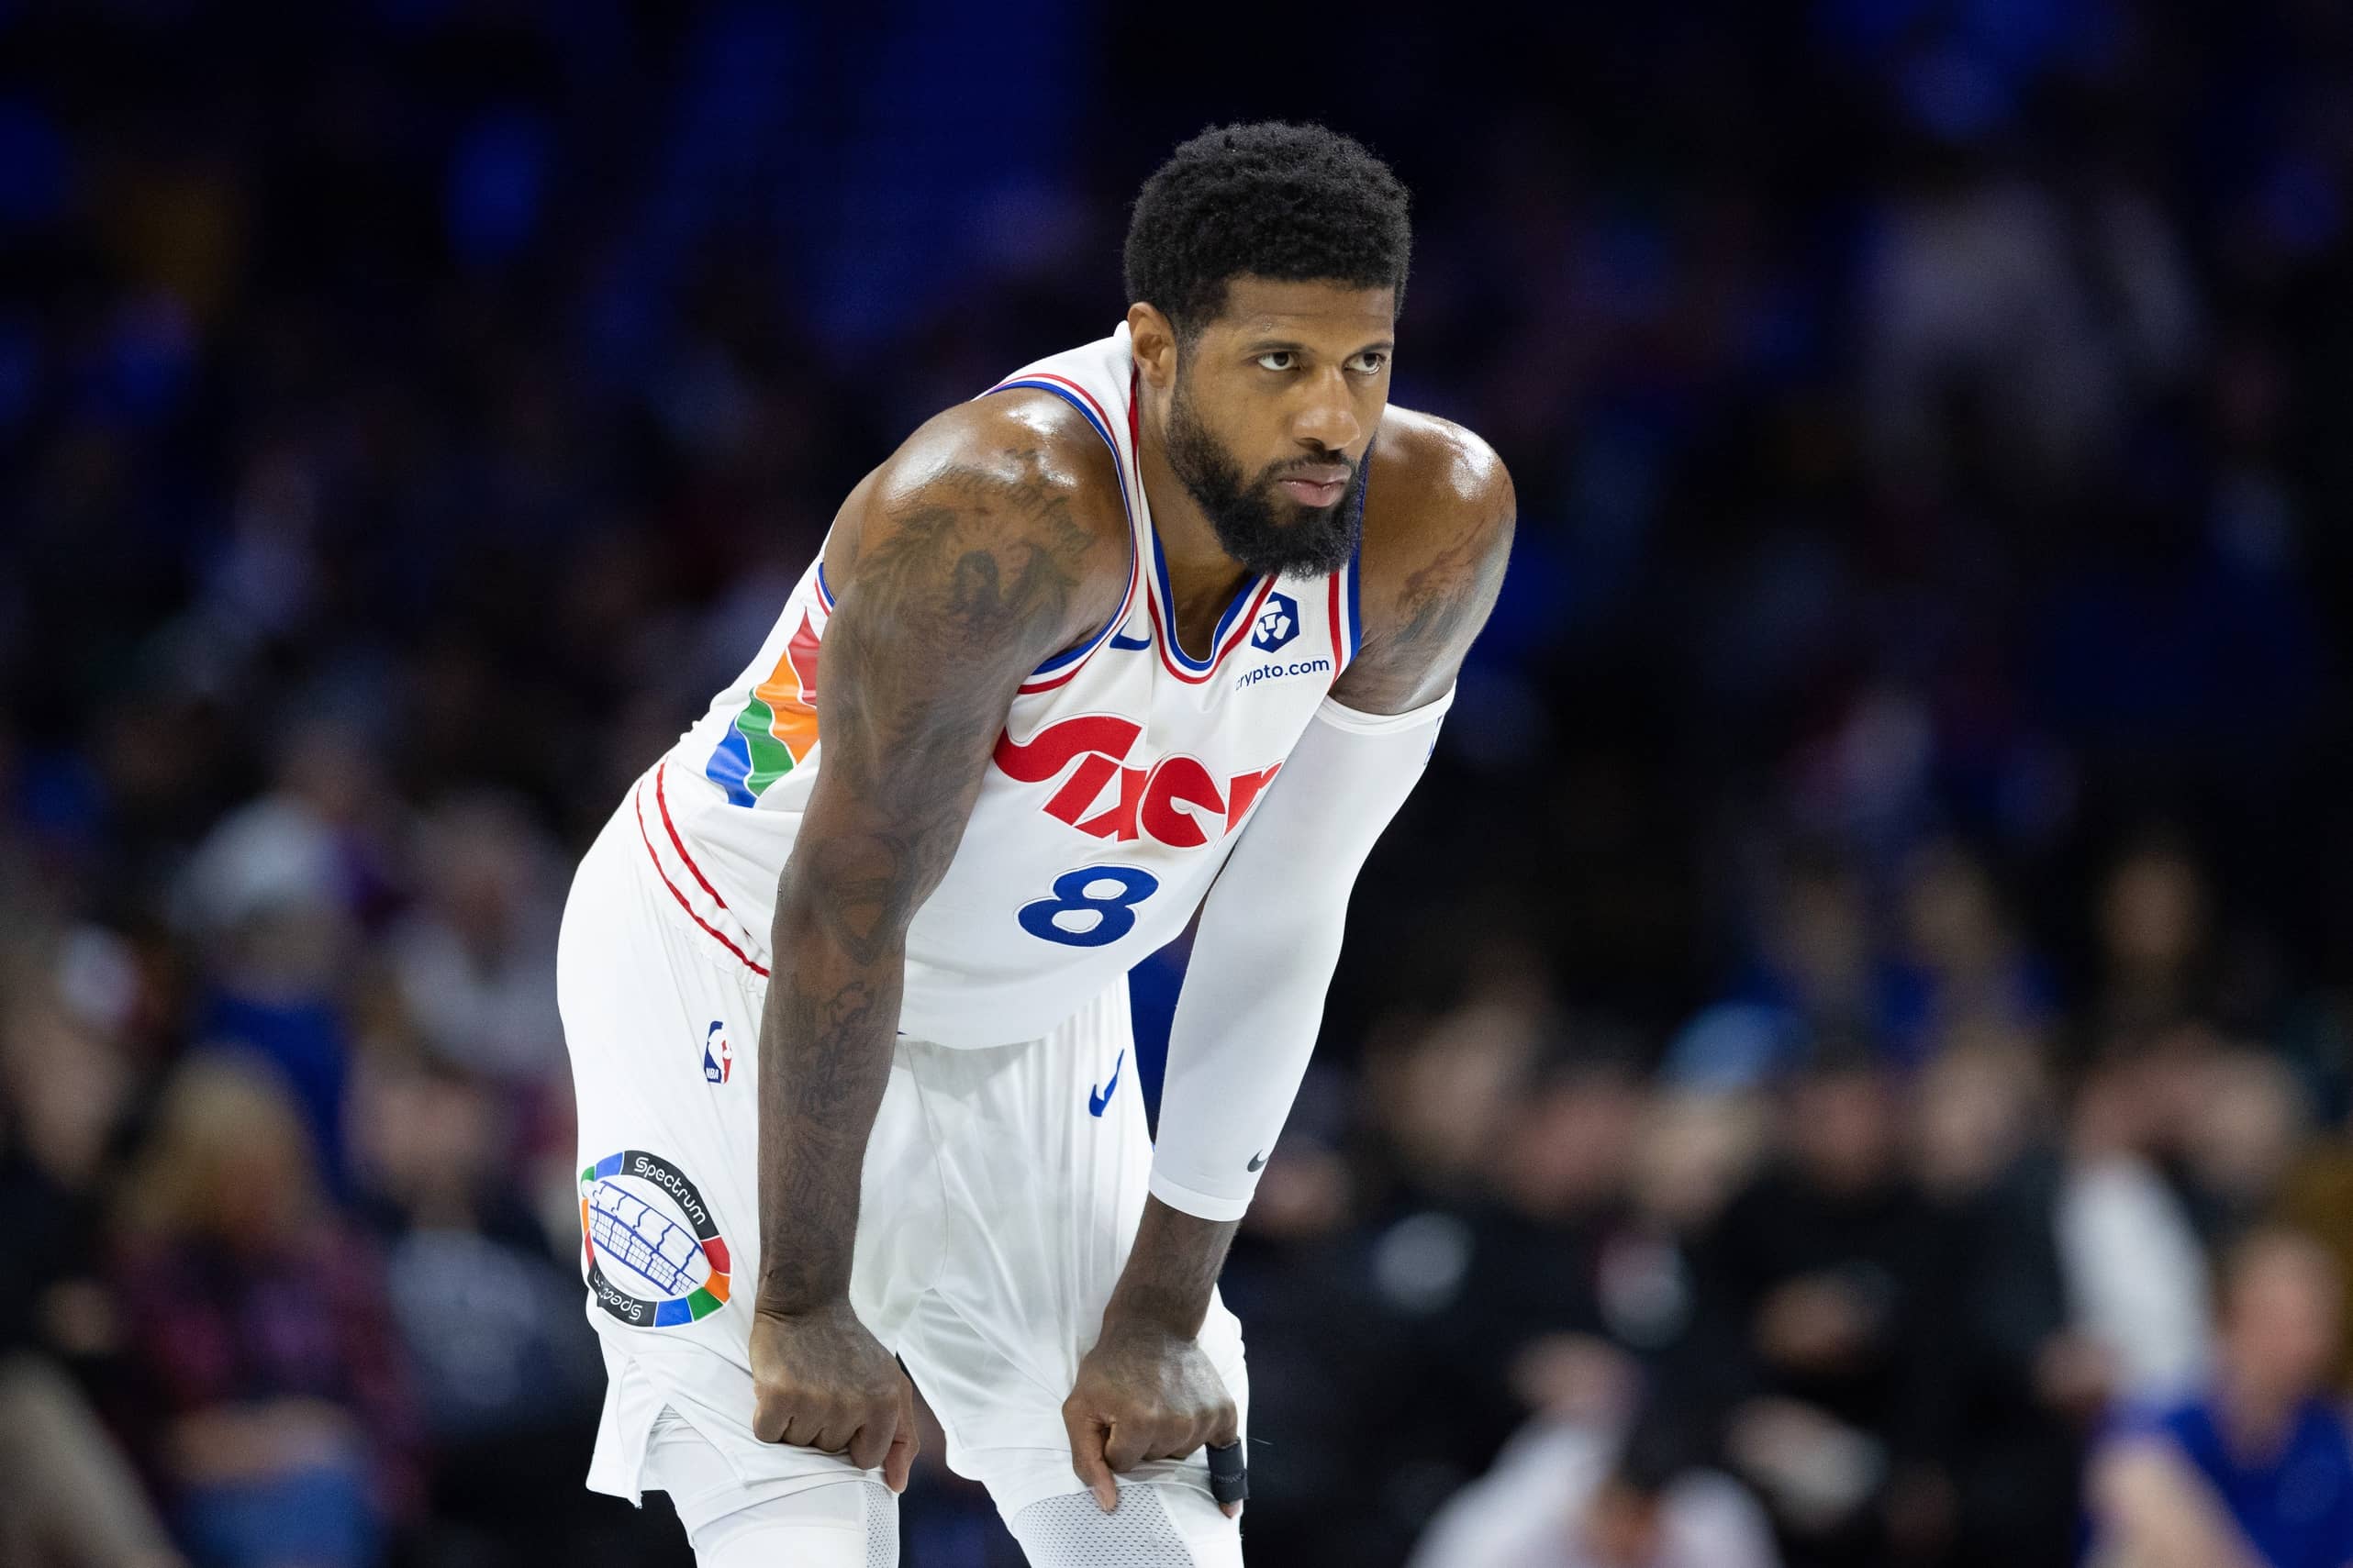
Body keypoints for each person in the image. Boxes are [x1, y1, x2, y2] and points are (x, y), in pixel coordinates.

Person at [556, 120, 1515, 1566]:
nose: (1333, 419)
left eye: (1364, 363)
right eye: (1278, 363)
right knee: (805, 1514)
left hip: (1029, 1005)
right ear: (1152, 345)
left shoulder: (1429, 524)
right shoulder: (995, 512)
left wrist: (1158, 1317)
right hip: (739, 955)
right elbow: (845, 910)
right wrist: (807, 1303)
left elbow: (1284, 912)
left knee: (1157, 1519)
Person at [2089, 1227, 2353, 1568]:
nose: (2305, 1340)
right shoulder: (2167, 1420)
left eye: (2317, 1321)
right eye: (2281, 1317)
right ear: (2231, 1315)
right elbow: (2128, 1480)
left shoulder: (2328, 1438)